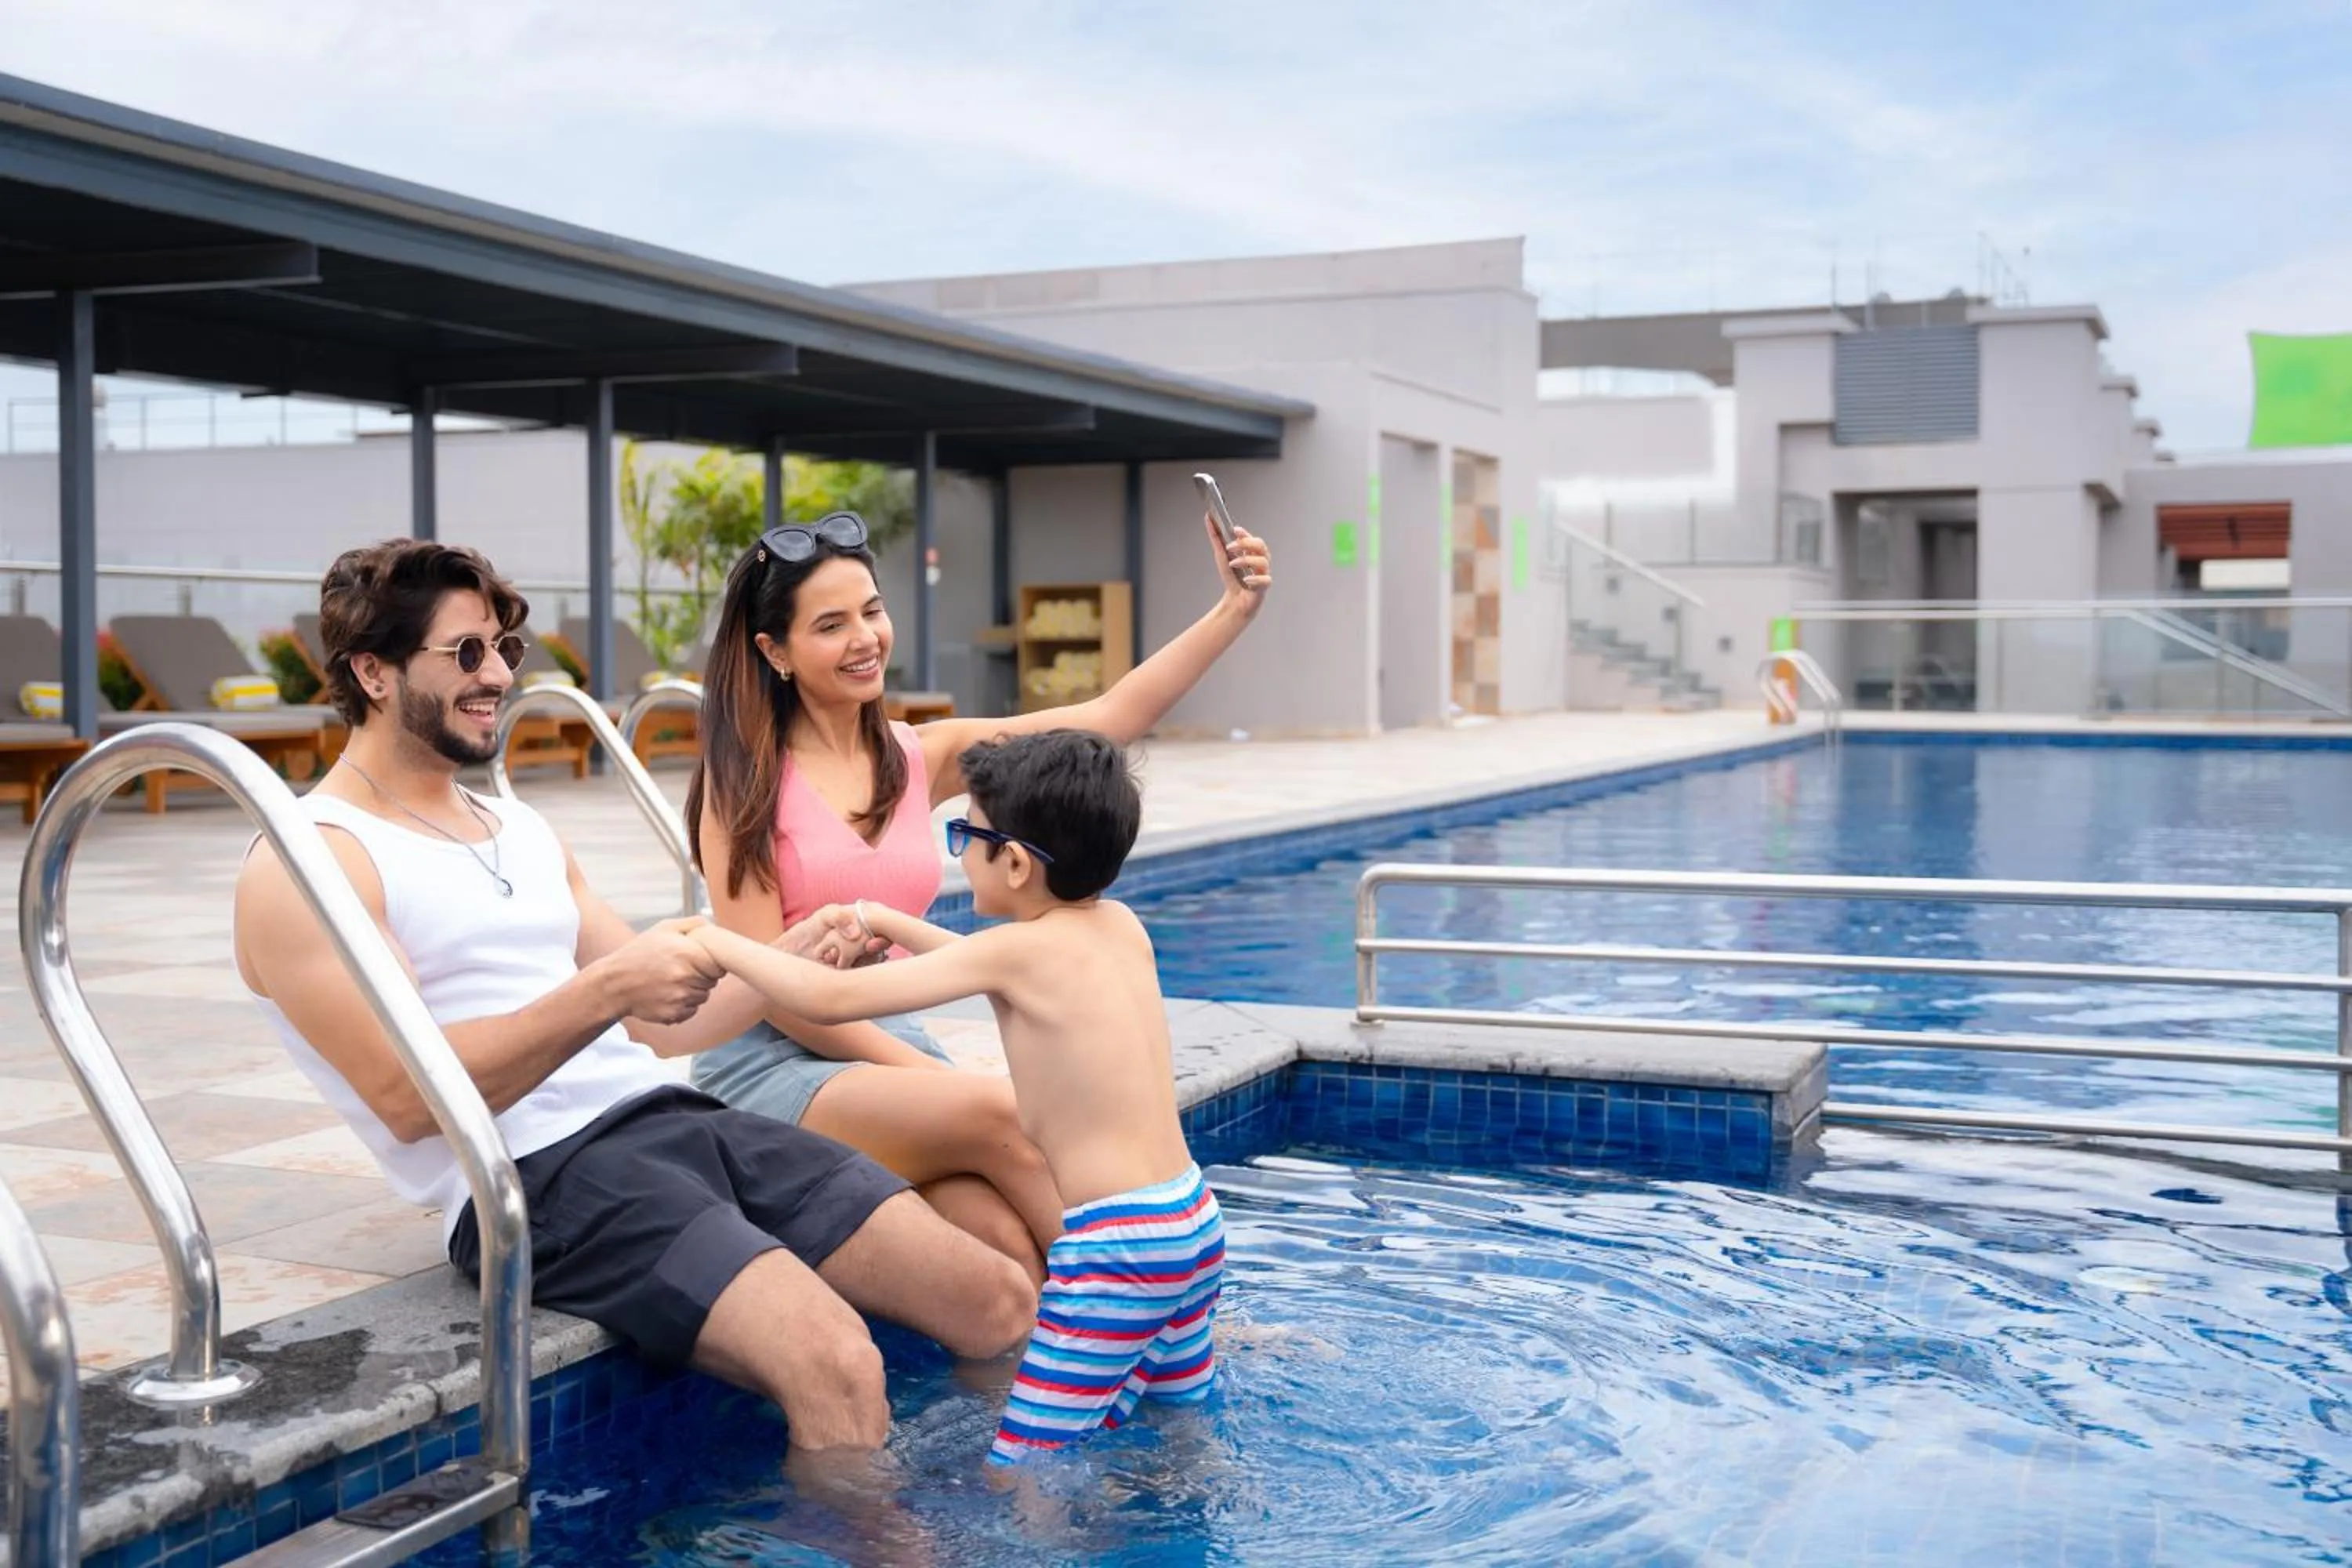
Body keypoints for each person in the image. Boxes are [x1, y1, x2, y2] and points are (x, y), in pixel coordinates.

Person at [231, 539, 1035, 1460]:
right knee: (837, 1360)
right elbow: (412, 1100)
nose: (495, 674)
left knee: (998, 1293)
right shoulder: (312, 860)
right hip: (539, 1176)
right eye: (464, 654)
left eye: (504, 650)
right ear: (373, 672)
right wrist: (606, 987)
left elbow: (668, 1021)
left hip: (674, 1118)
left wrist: (786, 958)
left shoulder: (517, 826)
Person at [684, 504, 1272, 1281]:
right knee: (1011, 1115)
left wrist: (1234, 610)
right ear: (775, 649)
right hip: (774, 1059)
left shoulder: (920, 756)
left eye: (872, 610)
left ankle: (1046, 1370)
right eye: (830, 625)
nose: (865, 637)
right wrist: (927, 1076)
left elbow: (1106, 720)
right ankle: (1159, 1300)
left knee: (998, 1241)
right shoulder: (743, 788)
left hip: (891, 1041)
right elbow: (783, 995)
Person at [688, 729, 1223, 1465]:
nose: (955, 851)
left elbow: (826, 996)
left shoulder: (1015, 953)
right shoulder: (1117, 928)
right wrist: (875, 917)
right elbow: (974, 960)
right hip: (1191, 1223)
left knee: (1025, 1468)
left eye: (964, 833)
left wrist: (719, 947)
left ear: (1012, 861)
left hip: (1117, 1253)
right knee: (1183, 1426)